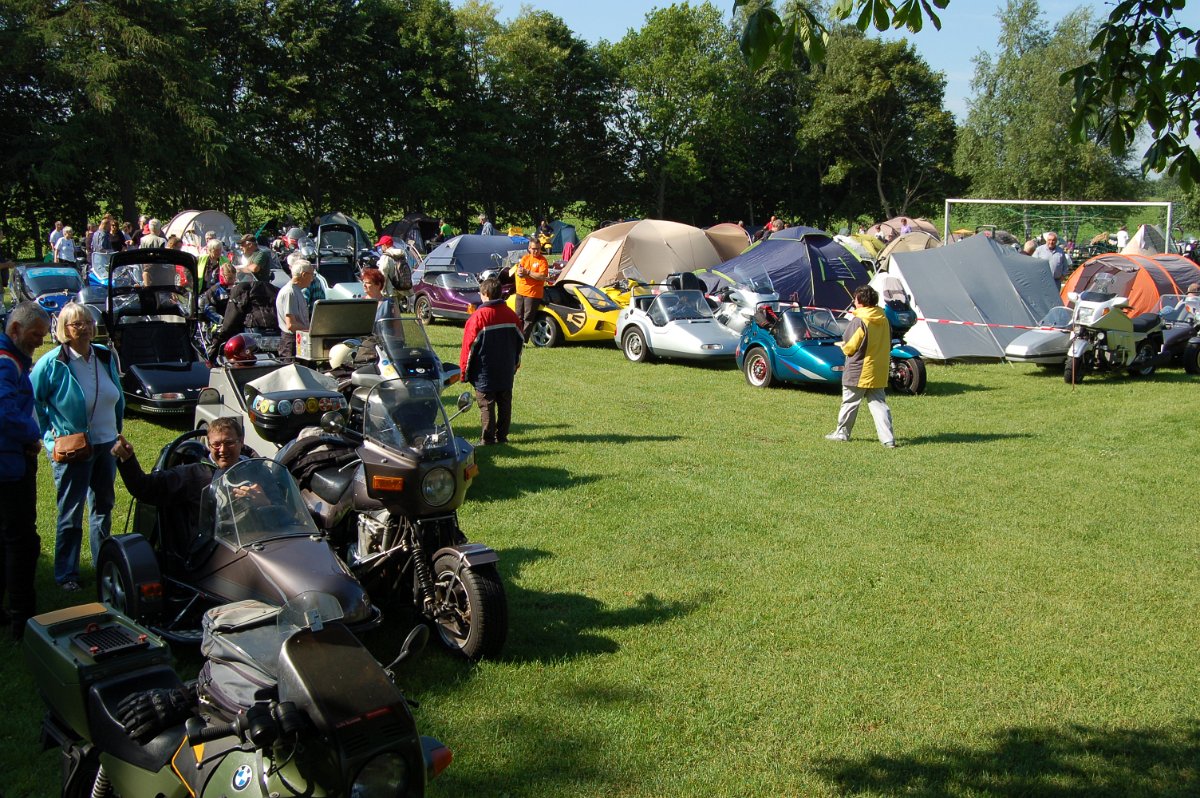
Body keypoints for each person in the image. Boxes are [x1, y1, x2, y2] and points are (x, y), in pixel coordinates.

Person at [31, 302, 125, 592]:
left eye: (87, 322)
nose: (83, 328)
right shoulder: (53, 362)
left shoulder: (105, 355)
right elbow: (33, 401)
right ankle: (66, 574)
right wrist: (49, 435)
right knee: (70, 514)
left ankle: (101, 565)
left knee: (103, 508)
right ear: (64, 329)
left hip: (107, 444)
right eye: (75, 324)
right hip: (73, 449)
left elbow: (115, 394)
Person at [111, 416, 247, 558]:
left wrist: (264, 500)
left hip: (256, 542)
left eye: (229, 443)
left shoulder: (254, 468)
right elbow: (145, 487)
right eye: (217, 444)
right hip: (211, 553)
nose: (223, 450)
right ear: (208, 445)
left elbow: (273, 506)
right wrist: (127, 459)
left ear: (241, 441)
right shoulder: (195, 474)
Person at [0, 302, 51, 640]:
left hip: (10, 460)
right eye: (35, 336)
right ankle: (23, 618)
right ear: (15, 329)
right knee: (22, 542)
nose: (38, 342)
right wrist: (33, 436)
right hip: (9, 467)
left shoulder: (12, 359)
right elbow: (3, 411)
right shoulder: (7, 364)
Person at [826, 285, 895, 448]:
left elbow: (850, 346)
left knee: (850, 403)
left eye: (855, 299)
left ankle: (841, 433)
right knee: (879, 405)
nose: (854, 302)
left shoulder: (859, 321)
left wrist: (842, 346)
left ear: (861, 301)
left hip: (859, 369)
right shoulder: (884, 319)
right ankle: (888, 439)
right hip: (878, 370)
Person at [459, 277, 523, 446]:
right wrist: (515, 363)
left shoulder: (478, 318)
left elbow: (468, 347)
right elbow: (520, 342)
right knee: (504, 403)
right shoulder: (512, 315)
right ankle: (502, 436)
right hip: (506, 369)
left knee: (486, 404)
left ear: (485, 294)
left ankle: (488, 439)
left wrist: (464, 372)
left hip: (484, 371)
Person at [276, 257, 314, 360]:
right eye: (312, 275)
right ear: (304, 275)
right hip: (291, 343)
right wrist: (312, 330)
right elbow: (291, 325)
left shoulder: (297, 291)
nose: (312, 279)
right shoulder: (290, 292)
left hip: (299, 339)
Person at [513, 239, 549, 341]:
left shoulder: (542, 261)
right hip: (520, 291)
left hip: (533, 294)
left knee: (528, 318)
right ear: (529, 248)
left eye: (538, 249)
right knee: (518, 317)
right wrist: (532, 275)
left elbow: (542, 276)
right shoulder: (525, 258)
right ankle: (516, 338)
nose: (536, 251)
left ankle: (523, 340)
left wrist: (528, 273)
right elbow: (520, 273)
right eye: (533, 249)